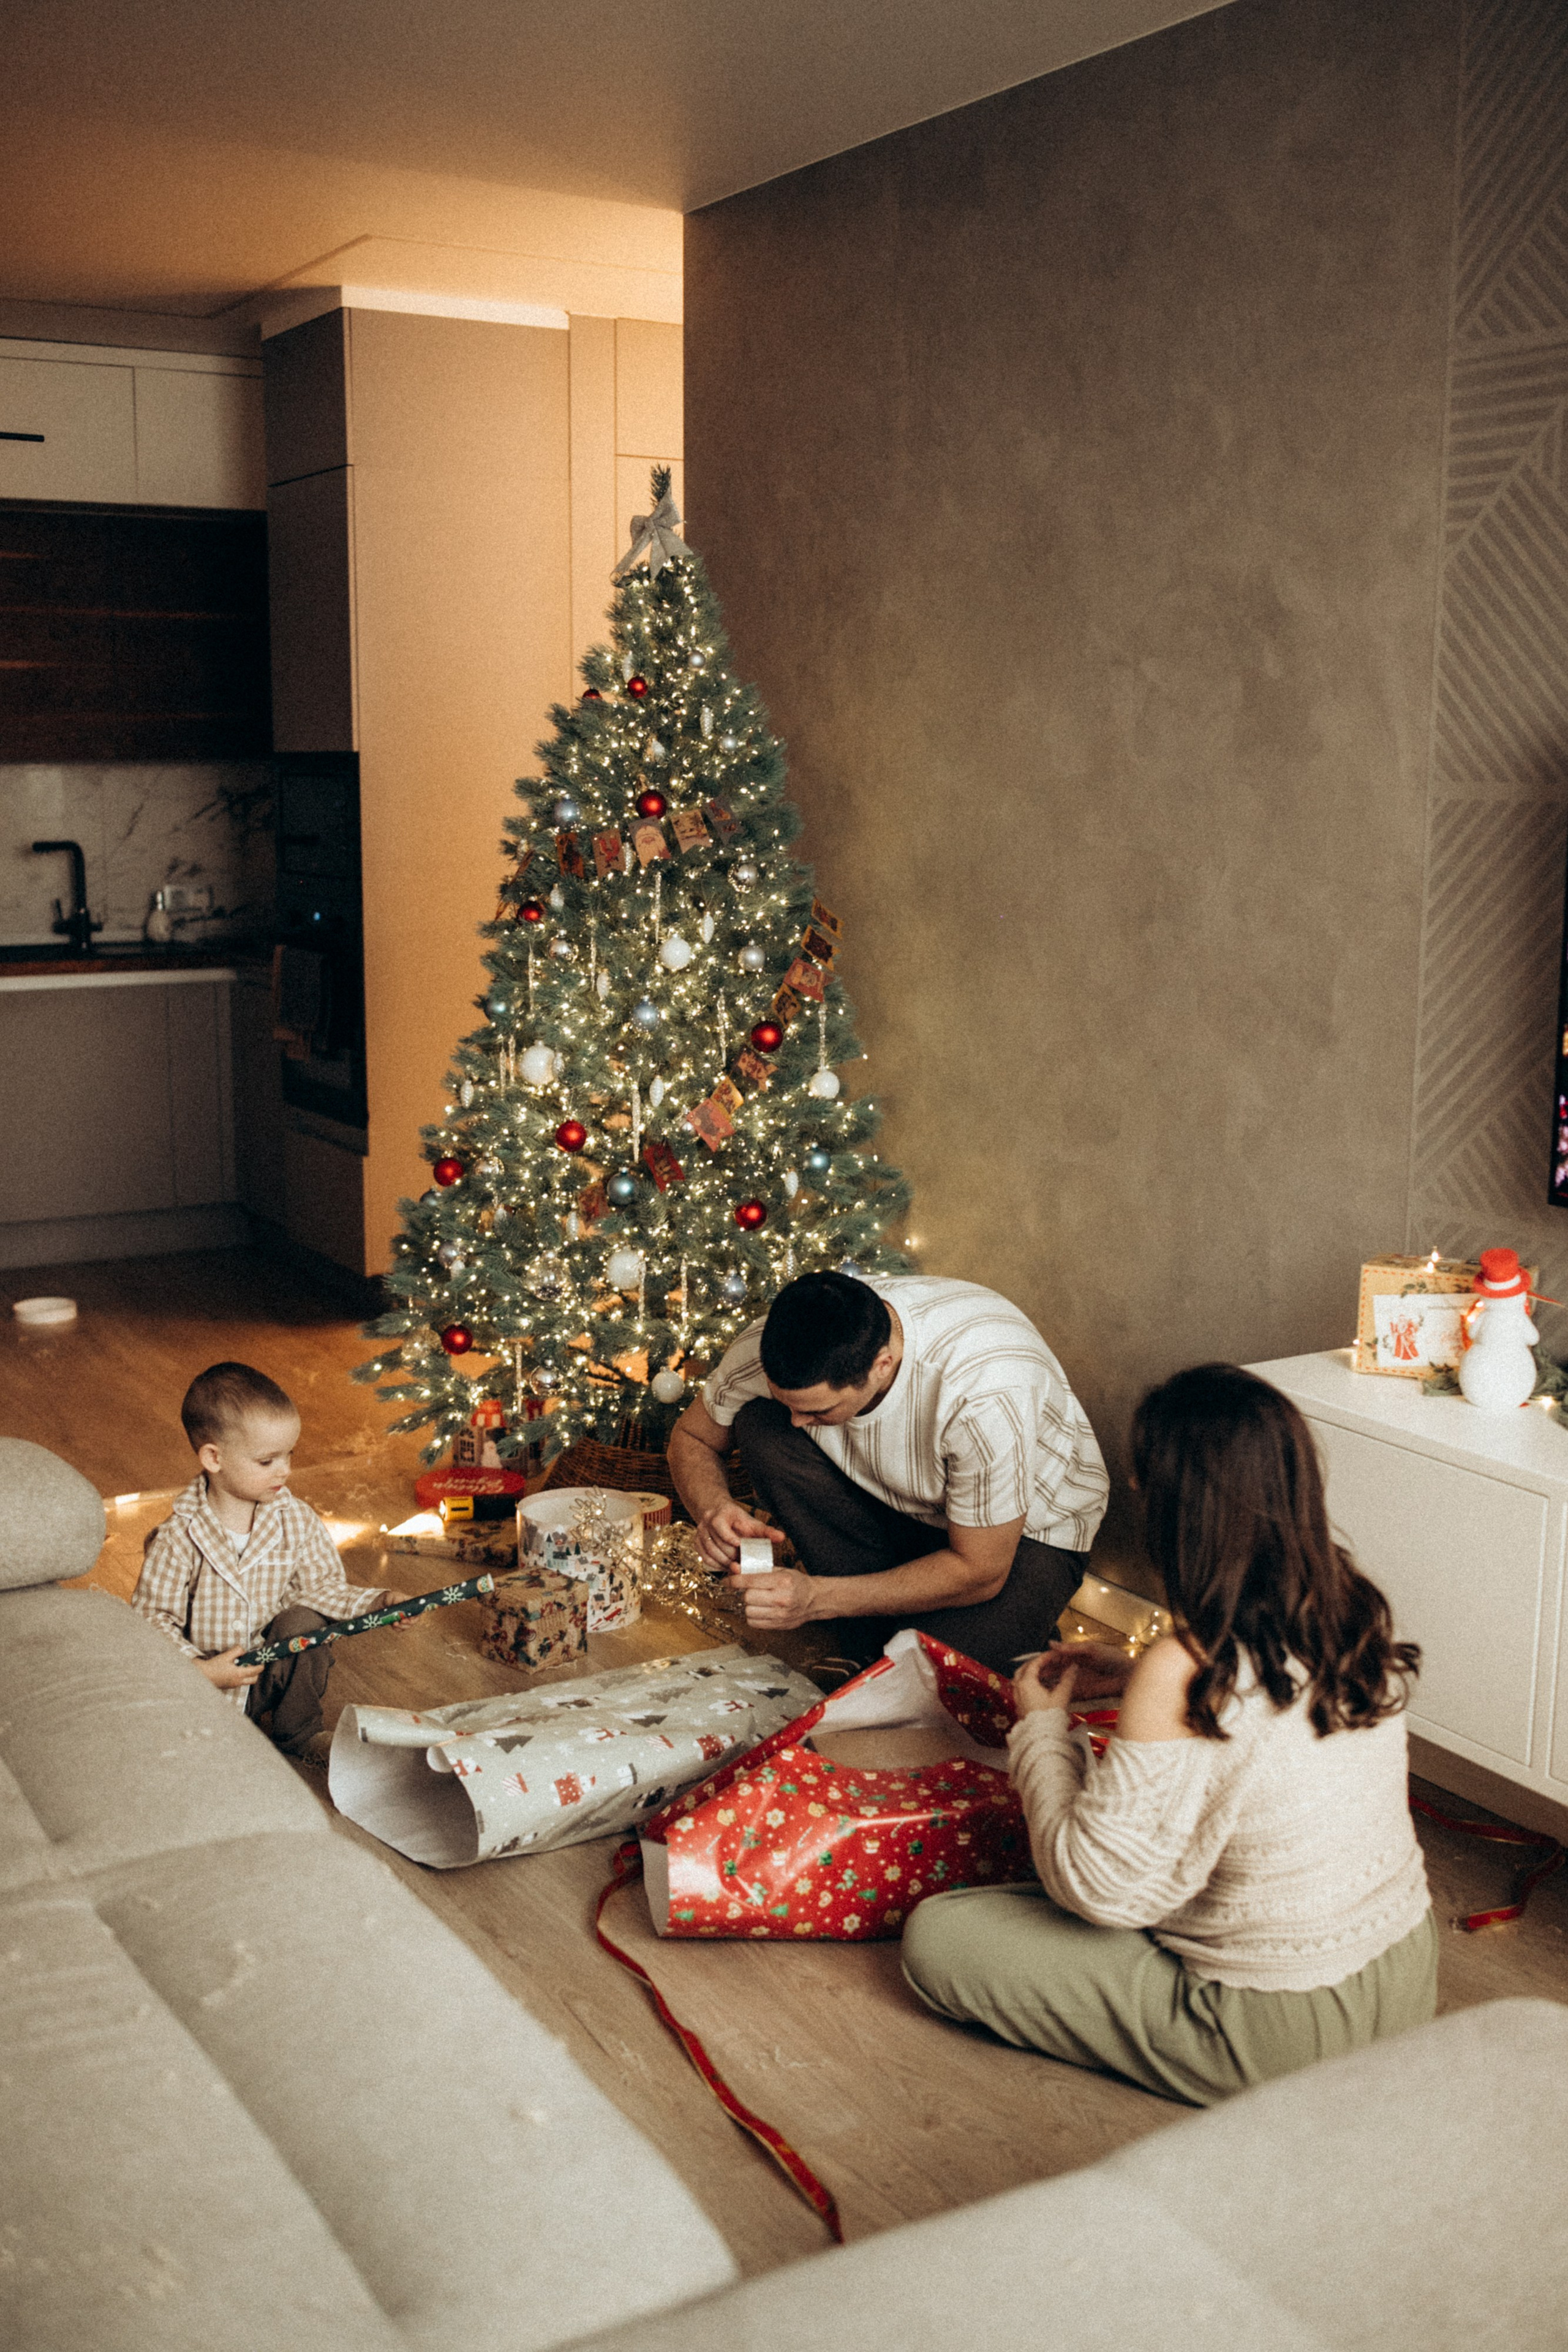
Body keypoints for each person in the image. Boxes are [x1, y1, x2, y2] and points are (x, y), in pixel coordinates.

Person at [900, 1363, 1437, 2106]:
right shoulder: (1350, 1605)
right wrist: (1128, 1671)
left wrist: (1044, 1729)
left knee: (942, 1936)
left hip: (1276, 2023)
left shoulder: (1182, 1668)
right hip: (1402, 1973)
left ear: (1177, 1511)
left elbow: (1100, 1890)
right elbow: (1257, 1728)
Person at [666, 1268, 1108, 1675]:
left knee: (934, 1684)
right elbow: (693, 1438)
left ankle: (993, 1626)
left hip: (1024, 1539)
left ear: (882, 1366)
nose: (798, 1423)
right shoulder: (773, 1345)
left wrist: (819, 1599)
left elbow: (981, 1569)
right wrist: (714, 1508)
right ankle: (884, 1625)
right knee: (762, 1425)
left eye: (818, 1410)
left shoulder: (983, 1393)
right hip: (902, 1504)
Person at [133, 1361, 388, 1766]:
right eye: (267, 1461)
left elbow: (323, 1590)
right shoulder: (178, 1537)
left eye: (289, 1455)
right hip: (202, 1687)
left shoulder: (295, 1518)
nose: (285, 1471)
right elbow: (151, 1620)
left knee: (306, 1623)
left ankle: (300, 1732)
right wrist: (202, 1671)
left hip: (264, 1673)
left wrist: (378, 1602)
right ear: (214, 1458)